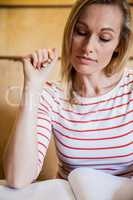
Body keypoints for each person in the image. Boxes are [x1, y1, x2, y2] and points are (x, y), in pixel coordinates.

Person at [3, 0, 133, 189]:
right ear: (70, 33)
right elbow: (18, 177)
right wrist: (33, 86)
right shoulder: (50, 95)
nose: (88, 46)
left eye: (104, 38)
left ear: (119, 45)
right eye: (81, 32)